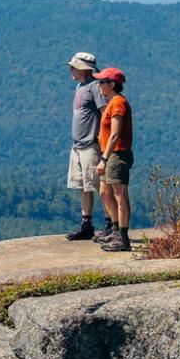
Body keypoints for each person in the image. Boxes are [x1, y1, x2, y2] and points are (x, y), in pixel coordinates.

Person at [64, 51, 106, 241]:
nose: (70, 69)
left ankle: (110, 224)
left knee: (99, 185)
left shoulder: (94, 87)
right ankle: (86, 224)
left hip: (91, 145)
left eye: (73, 66)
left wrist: (104, 142)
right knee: (84, 186)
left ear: (82, 69)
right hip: (79, 145)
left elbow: (105, 113)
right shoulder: (81, 86)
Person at [94, 67, 134, 252]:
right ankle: (116, 230)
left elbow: (115, 134)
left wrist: (104, 158)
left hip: (117, 154)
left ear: (111, 84)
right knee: (104, 191)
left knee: (120, 195)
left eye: (102, 82)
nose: (99, 85)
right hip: (110, 154)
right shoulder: (111, 102)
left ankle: (123, 238)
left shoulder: (118, 103)